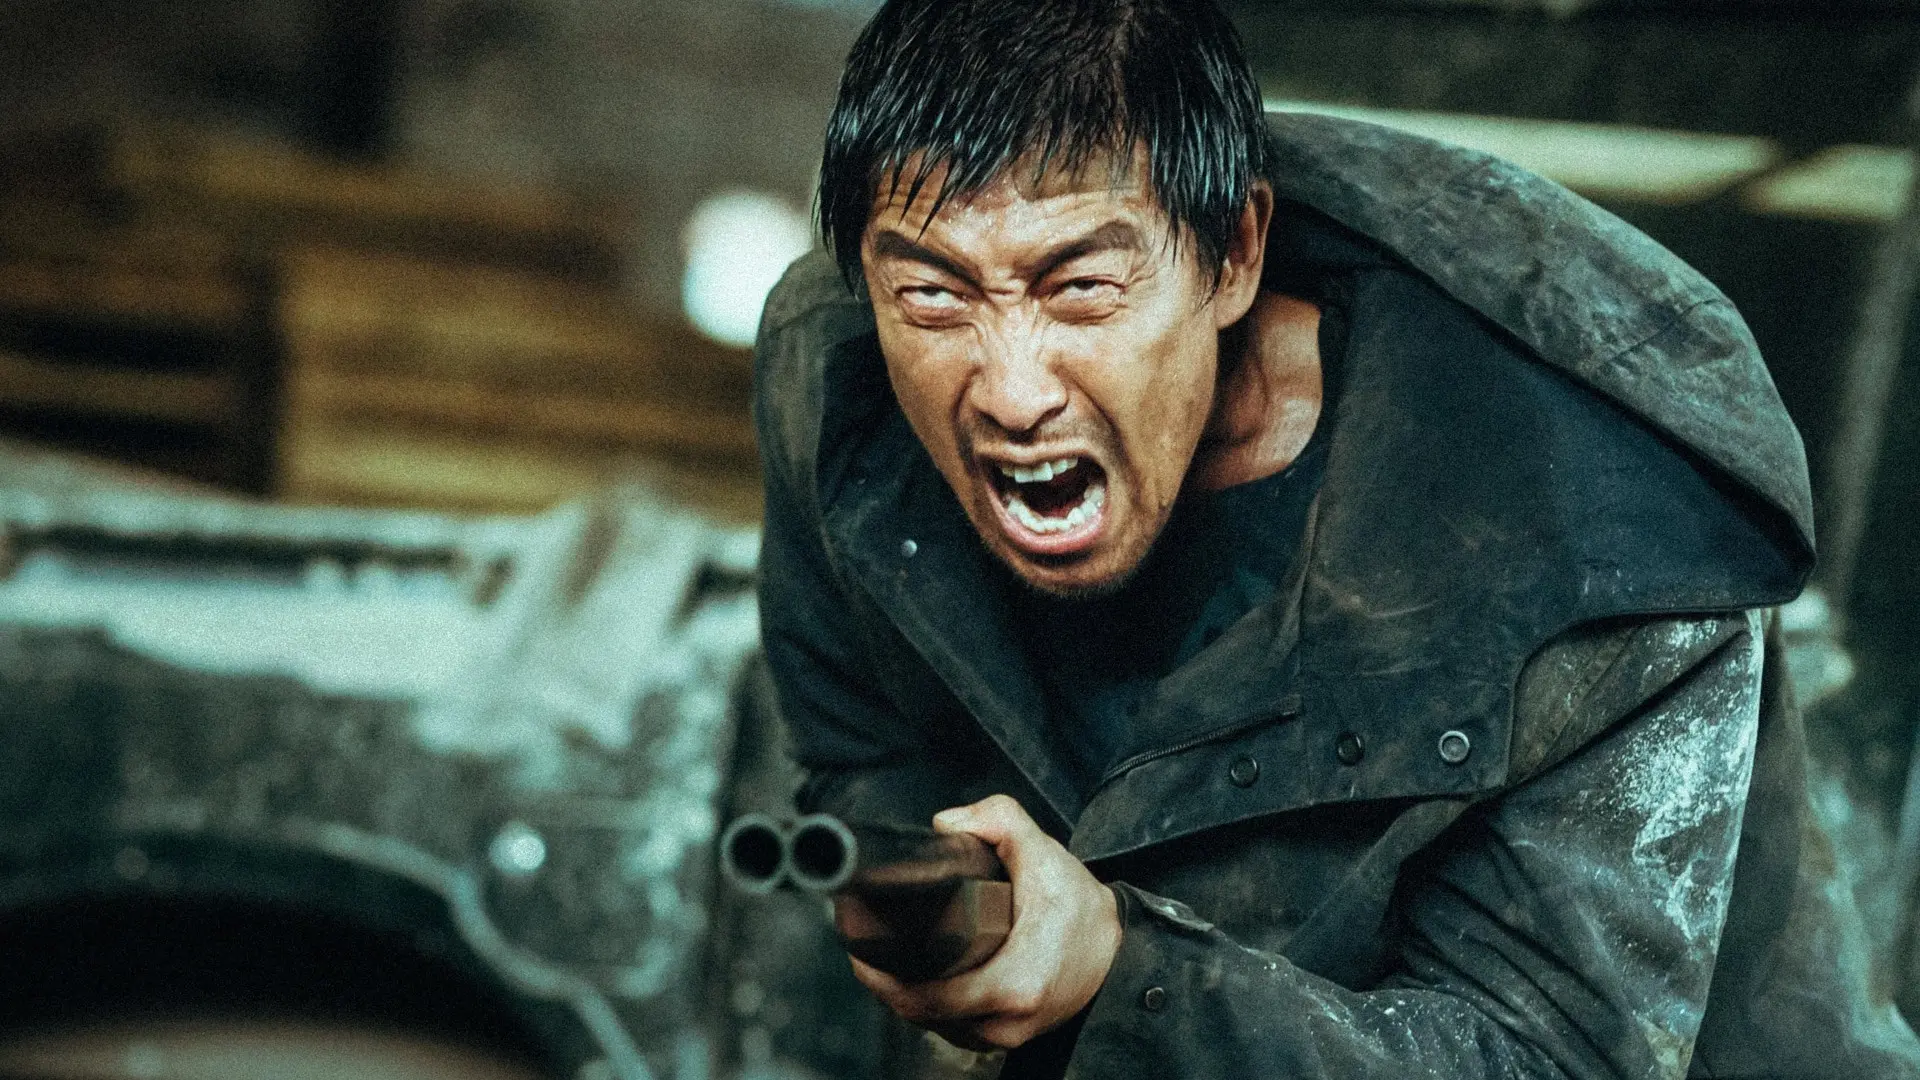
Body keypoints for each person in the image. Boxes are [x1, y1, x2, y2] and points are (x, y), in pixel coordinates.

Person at [751, 0, 1920, 1076]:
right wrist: (944, 909)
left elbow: (1550, 1058)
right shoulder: (839, 386)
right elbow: (867, 759)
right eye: (936, 298)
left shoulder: (1592, 512)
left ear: (1232, 255)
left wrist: (1121, 976)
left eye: (1081, 289)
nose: (1012, 392)